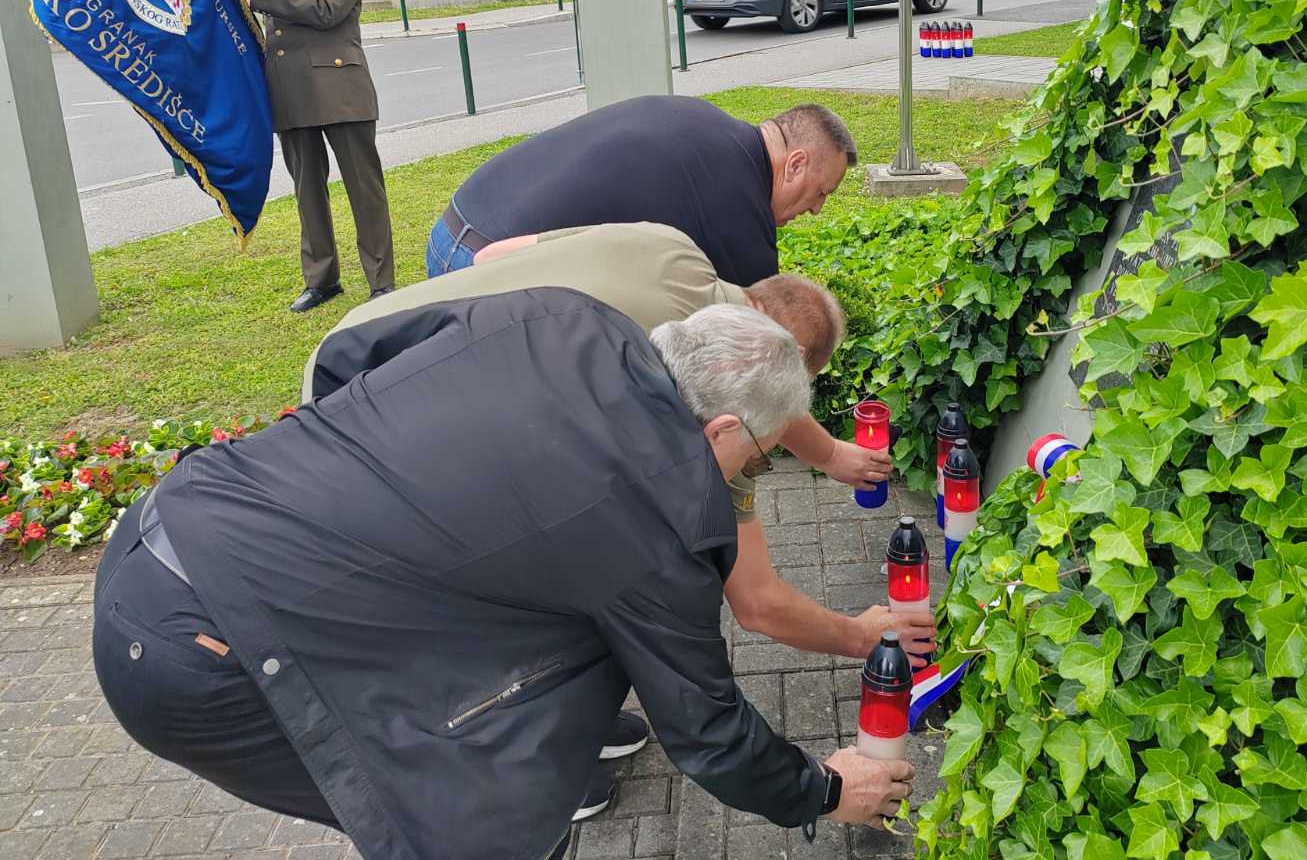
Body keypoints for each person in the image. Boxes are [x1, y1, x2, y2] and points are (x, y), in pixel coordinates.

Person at [93, 298, 913, 860]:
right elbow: (709, 733)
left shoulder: (560, 315)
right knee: (458, 820)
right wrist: (825, 789)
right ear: (727, 426)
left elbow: (348, 357)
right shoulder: (655, 518)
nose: (746, 471)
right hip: (197, 659)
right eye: (760, 456)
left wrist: (374, 487)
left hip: (175, 513)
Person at [301, 223, 936, 818]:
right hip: (361, 439)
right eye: (761, 450)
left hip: (369, 352)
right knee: (519, 605)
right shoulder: (655, 495)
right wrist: (825, 782)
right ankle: (536, 769)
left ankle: (572, 726)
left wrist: (826, 455)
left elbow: (494, 255)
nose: (757, 463)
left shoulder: (660, 282)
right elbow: (749, 626)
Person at [217, 0, 394, 313]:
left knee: (363, 188)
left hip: (338, 89)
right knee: (306, 189)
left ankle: (381, 281)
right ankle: (322, 279)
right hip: (290, 88)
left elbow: (323, 9)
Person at [426, 96, 855, 284]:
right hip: (487, 267)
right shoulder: (739, 206)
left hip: (451, 226)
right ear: (795, 164)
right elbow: (760, 359)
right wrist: (831, 455)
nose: (817, 209)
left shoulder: (706, 122)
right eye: (822, 192)